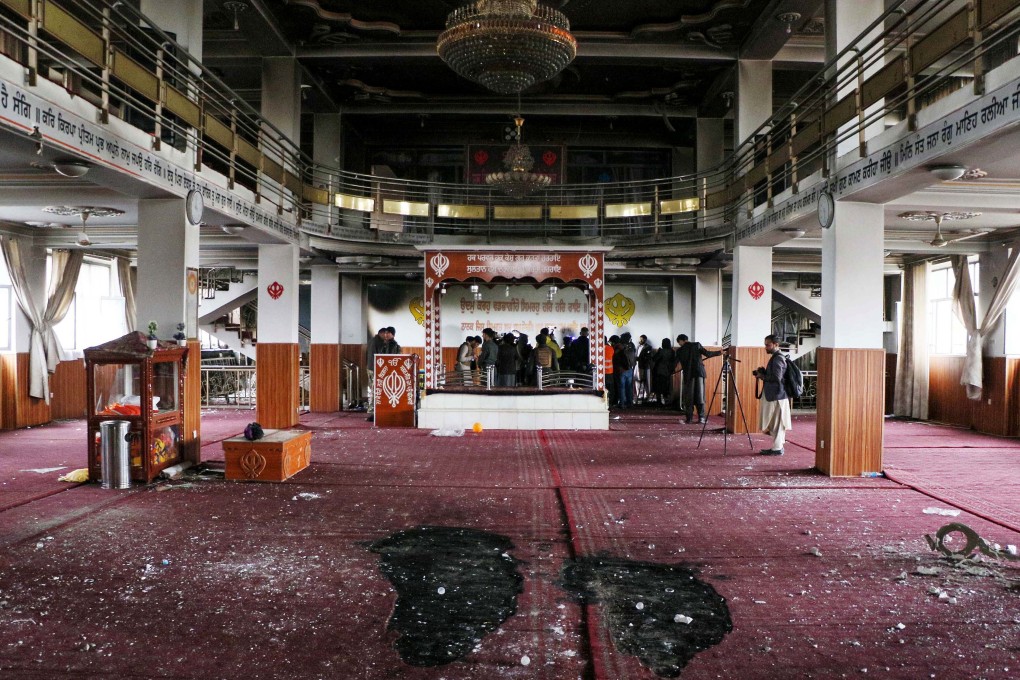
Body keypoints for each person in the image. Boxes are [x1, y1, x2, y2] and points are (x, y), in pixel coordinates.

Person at [754, 334, 791, 455]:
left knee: (777, 423)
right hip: (776, 395)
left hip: (777, 396)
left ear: (776, 345)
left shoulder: (778, 358)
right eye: (765, 345)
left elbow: (776, 377)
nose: (766, 347)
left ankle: (777, 448)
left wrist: (762, 376)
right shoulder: (776, 357)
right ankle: (777, 447)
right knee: (776, 423)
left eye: (768, 345)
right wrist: (764, 373)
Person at [675, 333, 722, 424]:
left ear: (681, 341)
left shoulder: (680, 351)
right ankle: (701, 418)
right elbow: (708, 353)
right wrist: (719, 353)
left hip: (688, 375)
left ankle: (689, 419)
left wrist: (670, 372)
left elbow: (675, 363)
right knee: (700, 396)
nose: (679, 344)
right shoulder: (697, 345)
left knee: (689, 397)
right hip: (699, 373)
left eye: (679, 343)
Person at [613, 332, 637, 408]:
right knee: (629, 386)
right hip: (630, 368)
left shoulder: (619, 346)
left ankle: (622, 403)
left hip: (621, 369)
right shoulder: (632, 345)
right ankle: (630, 403)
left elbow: (614, 355)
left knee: (622, 387)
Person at [651, 338, 675, 406]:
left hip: (659, 370)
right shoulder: (672, 351)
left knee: (658, 386)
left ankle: (659, 401)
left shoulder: (661, 351)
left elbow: (654, 359)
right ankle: (666, 401)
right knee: (666, 386)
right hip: (668, 371)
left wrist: (658, 352)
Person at [636, 334, 654, 403]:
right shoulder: (638, 347)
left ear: (645, 340)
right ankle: (639, 395)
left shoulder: (649, 347)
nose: (640, 340)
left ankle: (647, 395)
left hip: (646, 366)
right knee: (639, 380)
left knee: (647, 381)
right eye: (639, 339)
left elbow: (649, 357)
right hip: (639, 365)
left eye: (641, 339)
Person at [604, 336, 617, 406]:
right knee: (610, 388)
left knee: (603, 388)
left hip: (602, 372)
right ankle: (610, 403)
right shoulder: (611, 348)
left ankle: (604, 402)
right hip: (610, 371)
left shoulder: (599, 349)